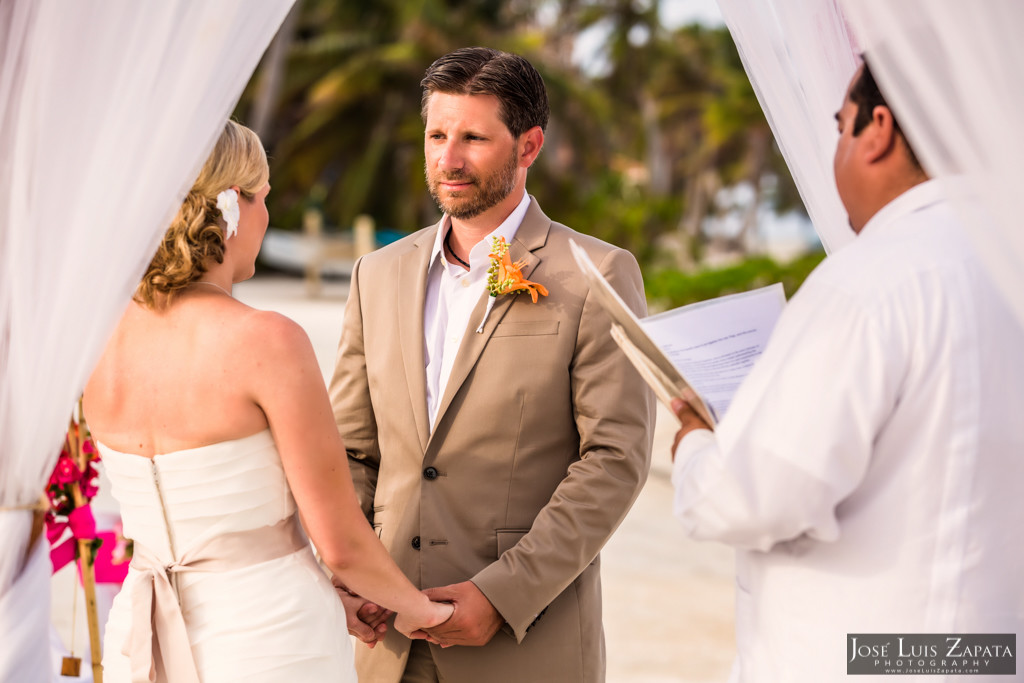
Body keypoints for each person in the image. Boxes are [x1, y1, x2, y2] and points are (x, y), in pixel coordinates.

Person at [670, 60, 1024, 681]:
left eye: (841, 127)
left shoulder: (870, 281)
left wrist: (696, 442)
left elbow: (750, 499)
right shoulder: (1006, 262)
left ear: (878, 129)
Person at [83, 120, 453, 682]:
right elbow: (341, 540)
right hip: (271, 635)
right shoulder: (266, 341)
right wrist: (425, 612)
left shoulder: (98, 342)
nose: (267, 218)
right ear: (232, 207)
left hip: (143, 630)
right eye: (265, 200)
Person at [328, 47, 654, 682]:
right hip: (385, 644)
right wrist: (348, 571)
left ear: (528, 146)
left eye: (473, 138)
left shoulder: (597, 275)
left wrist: (503, 596)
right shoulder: (377, 274)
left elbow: (616, 460)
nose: (448, 159)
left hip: (524, 646)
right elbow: (352, 449)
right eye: (437, 135)